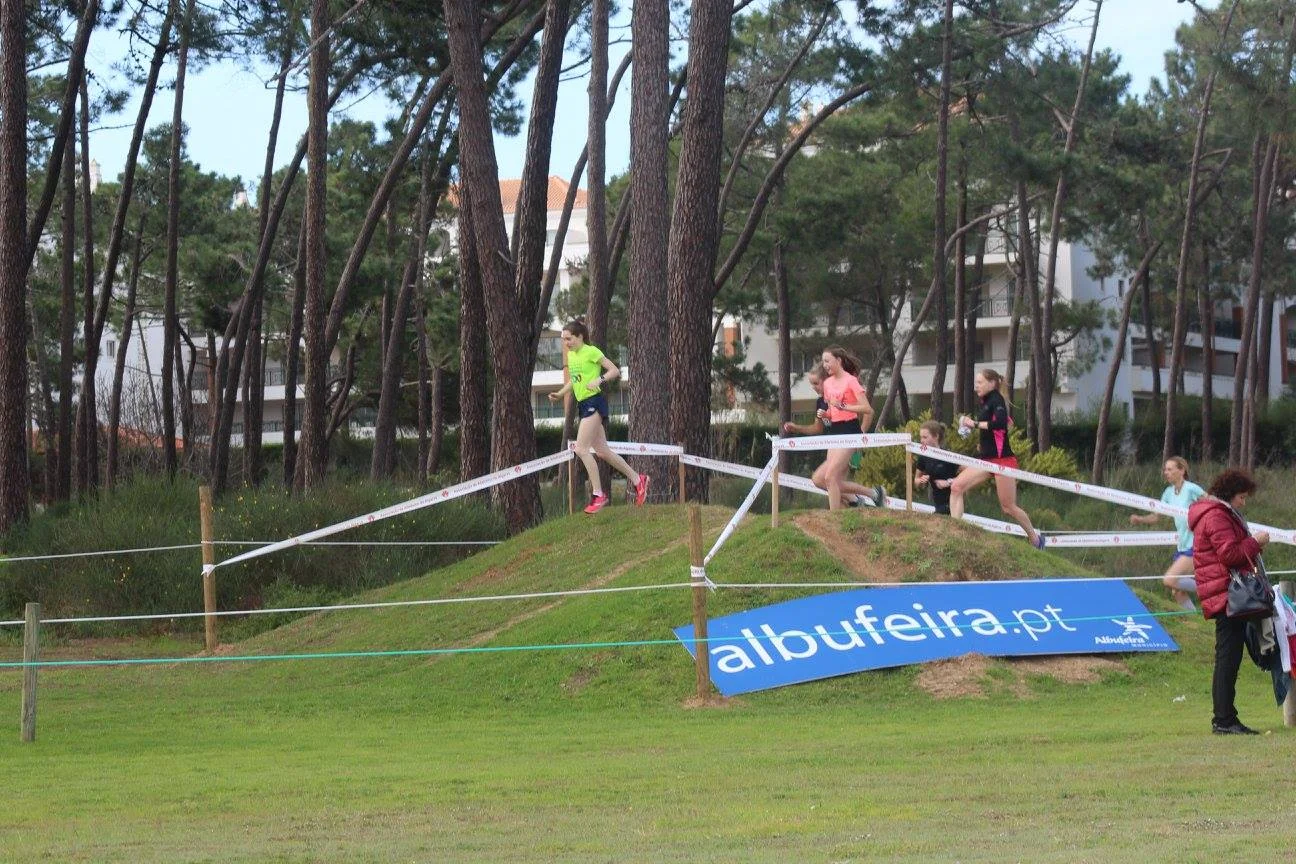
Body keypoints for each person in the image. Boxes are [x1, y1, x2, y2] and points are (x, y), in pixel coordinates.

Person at [1188, 469, 1270, 735]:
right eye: (1242, 497)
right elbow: (1230, 555)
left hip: (1225, 593)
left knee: (1229, 657)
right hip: (1227, 596)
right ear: (1230, 494)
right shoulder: (1216, 516)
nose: (1243, 503)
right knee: (1227, 658)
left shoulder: (1217, 514)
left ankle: (1225, 717)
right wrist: (1255, 542)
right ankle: (1223, 719)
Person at [547, 321, 649, 514]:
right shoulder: (572, 355)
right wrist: (560, 394)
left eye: (569, 339)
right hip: (583, 405)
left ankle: (598, 494)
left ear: (580, 337)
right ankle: (639, 480)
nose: (566, 343)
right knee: (602, 452)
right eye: (563, 340)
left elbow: (614, 370)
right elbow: (575, 380)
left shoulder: (591, 351)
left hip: (594, 401)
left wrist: (599, 380)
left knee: (581, 449)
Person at [950, 368, 1045, 549]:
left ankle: (1035, 539)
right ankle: (955, 531)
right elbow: (996, 427)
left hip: (1003, 461)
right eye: (976, 383)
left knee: (1008, 507)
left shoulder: (997, 400)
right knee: (956, 487)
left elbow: (1000, 423)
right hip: (987, 460)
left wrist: (974, 424)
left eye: (980, 383)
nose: (976, 386)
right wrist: (977, 437)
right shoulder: (985, 402)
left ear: (992, 383)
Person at [1129, 457, 1205, 611]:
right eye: (1165, 469)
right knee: (1177, 591)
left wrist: (1198, 519)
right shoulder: (1168, 493)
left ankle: (1212, 588)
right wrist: (1140, 519)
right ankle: (1193, 619)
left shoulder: (1191, 489)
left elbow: (1212, 504)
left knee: (1170, 580)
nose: (1166, 472)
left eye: (1170, 469)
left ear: (1181, 470)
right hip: (1182, 545)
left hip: (1196, 544)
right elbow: (1156, 516)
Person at [813, 347, 885, 509]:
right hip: (835, 432)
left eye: (827, 361)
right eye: (823, 362)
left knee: (830, 478)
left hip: (850, 431)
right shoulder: (827, 383)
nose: (824, 365)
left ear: (838, 361)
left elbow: (867, 409)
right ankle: (871, 495)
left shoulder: (851, 381)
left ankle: (835, 516)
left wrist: (844, 406)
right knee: (819, 479)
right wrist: (825, 414)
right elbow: (833, 412)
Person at [913, 420, 959, 515]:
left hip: (954, 501)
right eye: (921, 437)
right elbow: (916, 481)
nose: (921, 441)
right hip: (938, 504)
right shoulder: (923, 457)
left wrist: (948, 482)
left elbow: (968, 476)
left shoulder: (948, 455)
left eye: (925, 437)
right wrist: (921, 480)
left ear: (936, 436)